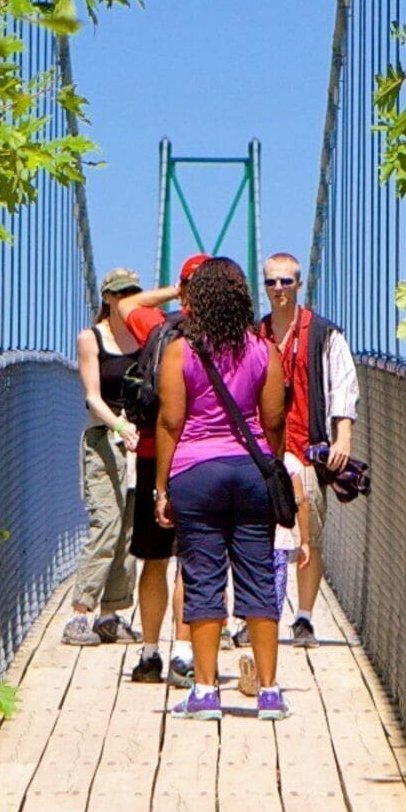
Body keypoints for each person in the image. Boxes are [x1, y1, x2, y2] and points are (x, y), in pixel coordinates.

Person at [152, 255, 292, 720]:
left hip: (195, 474)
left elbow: (171, 421)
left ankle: (206, 692)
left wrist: (162, 488)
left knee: (204, 580)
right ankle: (270, 693)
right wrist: (268, 467)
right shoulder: (263, 350)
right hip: (250, 475)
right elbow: (273, 420)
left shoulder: (180, 351)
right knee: (258, 577)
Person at [63, 268, 180, 651]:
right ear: (107, 297)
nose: (125, 298)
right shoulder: (91, 338)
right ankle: (80, 612)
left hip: (140, 442)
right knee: (107, 522)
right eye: (119, 293)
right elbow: (92, 397)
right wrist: (119, 426)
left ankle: (111, 614)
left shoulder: (149, 336)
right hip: (104, 438)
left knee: (129, 526)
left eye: (132, 290)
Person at [256, 252, 362, 644]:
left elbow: (343, 386)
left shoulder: (324, 334)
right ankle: (256, 615)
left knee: (309, 535)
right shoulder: (254, 335)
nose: (279, 289)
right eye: (271, 282)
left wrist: (344, 437)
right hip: (263, 454)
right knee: (257, 535)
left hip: (308, 449)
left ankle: (303, 617)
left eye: (286, 282)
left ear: (299, 285)